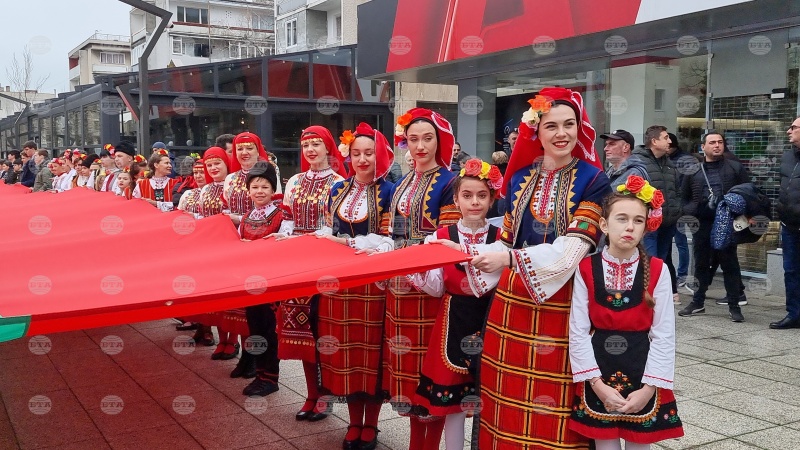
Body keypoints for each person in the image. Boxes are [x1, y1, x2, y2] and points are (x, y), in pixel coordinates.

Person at [468, 87, 611, 449]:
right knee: (506, 390)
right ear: (537, 131)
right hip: (511, 303)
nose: (561, 133)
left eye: (569, 124)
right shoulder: (520, 178)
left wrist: (509, 259)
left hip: (566, 302)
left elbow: (574, 250)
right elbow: (506, 241)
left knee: (555, 393)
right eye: (551, 126)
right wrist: (466, 251)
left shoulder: (595, 180)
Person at [569, 177, 684, 449]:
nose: (630, 227)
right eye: (621, 219)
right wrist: (597, 384)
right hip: (599, 371)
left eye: (638, 220)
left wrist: (649, 388)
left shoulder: (658, 270)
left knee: (639, 444)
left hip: (643, 371)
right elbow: (578, 331)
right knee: (605, 445)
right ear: (604, 225)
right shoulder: (585, 268)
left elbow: (664, 334)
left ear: (646, 227)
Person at [411, 158, 504, 450]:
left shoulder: (502, 238)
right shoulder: (440, 237)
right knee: (453, 401)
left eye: (482, 195)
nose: (474, 202)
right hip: (453, 321)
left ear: (492, 199)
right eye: (467, 195)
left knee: (490, 396)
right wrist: (417, 268)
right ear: (455, 199)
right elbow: (436, 287)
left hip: (492, 319)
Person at [315, 123, 394, 450]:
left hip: (372, 284)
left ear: (381, 156)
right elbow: (328, 228)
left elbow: (390, 239)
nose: (362, 160)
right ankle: (353, 422)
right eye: (357, 153)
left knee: (370, 353)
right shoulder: (337, 189)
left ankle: (371, 423)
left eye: (369, 153)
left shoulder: (390, 191)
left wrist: (346, 242)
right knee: (345, 353)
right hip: (338, 283)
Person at [386, 107, 461, 450]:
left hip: (430, 286)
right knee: (406, 369)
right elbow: (394, 231)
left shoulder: (449, 182)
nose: (420, 146)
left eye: (427, 138)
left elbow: (448, 238)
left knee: (429, 371)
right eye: (413, 139)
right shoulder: (402, 182)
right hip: (399, 286)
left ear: (439, 141)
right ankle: (416, 442)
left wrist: (413, 259)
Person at [272, 125, 347, 422]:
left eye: (316, 144)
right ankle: (311, 393)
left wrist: (309, 240)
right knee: (301, 332)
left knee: (323, 330)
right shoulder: (295, 181)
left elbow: (335, 227)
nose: (311, 150)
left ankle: (326, 395)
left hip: (325, 262)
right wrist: (284, 238)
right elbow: (288, 219)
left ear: (328, 148)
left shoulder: (339, 183)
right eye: (306, 145)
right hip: (298, 264)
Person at [678, 131, 749, 322]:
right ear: (703, 147)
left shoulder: (734, 167)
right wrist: (691, 211)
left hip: (727, 222)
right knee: (701, 264)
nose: (717, 145)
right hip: (702, 223)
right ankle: (697, 302)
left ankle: (734, 305)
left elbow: (748, 193)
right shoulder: (693, 170)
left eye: (720, 142)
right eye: (712, 142)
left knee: (729, 264)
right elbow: (683, 196)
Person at [238, 162, 288, 395]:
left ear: (273, 190)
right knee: (254, 327)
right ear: (248, 190)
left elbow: (282, 248)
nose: (259, 191)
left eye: (265, 187)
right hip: (250, 283)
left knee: (270, 330)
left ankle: (270, 378)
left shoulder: (282, 216)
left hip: (271, 284)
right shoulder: (246, 217)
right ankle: (259, 374)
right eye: (255, 187)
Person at [772, 117, 800, 329]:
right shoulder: (788, 156)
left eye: (794, 127)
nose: (789, 131)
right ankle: (794, 314)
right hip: (789, 225)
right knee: (791, 271)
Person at [666, 133, 695, 295]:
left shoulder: (682, 161)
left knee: (681, 242)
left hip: (680, 207)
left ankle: (682, 274)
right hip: (672, 207)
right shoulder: (668, 159)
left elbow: (683, 187)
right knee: (676, 242)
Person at [224, 132, 271, 226]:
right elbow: (226, 206)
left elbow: (274, 208)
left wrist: (240, 219)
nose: (244, 153)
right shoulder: (230, 178)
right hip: (232, 230)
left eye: (249, 148)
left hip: (260, 229)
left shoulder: (268, 175)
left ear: (258, 152)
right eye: (240, 149)